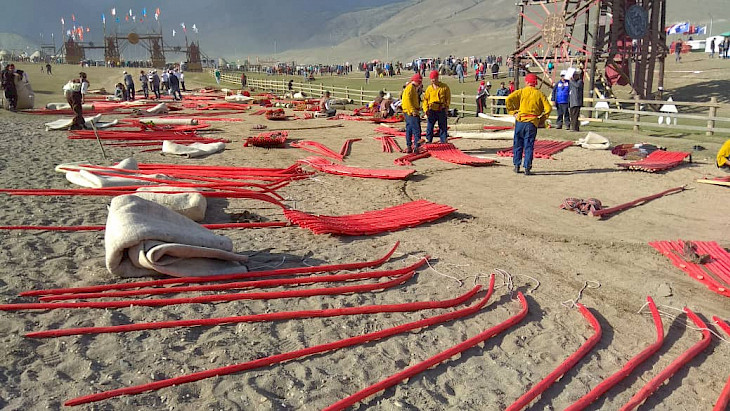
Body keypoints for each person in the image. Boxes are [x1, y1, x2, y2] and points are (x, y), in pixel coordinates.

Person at [505, 73, 552, 175]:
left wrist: (512, 112)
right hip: (532, 123)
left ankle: (516, 165)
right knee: (528, 145)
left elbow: (508, 99)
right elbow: (548, 108)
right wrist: (542, 119)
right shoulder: (540, 94)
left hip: (520, 121)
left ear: (526, 82)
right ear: (535, 83)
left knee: (517, 144)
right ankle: (527, 168)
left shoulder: (521, 91)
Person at [422, 70, 451, 143]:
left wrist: (447, 107)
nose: (433, 80)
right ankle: (428, 140)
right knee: (430, 126)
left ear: (437, 78)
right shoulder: (429, 89)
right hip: (432, 110)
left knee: (443, 126)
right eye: (431, 79)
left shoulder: (444, 87)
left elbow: (448, 98)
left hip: (441, 109)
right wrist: (426, 110)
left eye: (434, 78)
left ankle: (443, 141)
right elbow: (425, 100)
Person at [402, 73, 422, 153]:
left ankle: (409, 146)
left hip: (408, 112)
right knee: (417, 130)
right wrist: (412, 110)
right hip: (411, 113)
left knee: (409, 130)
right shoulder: (410, 88)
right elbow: (407, 101)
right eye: (419, 82)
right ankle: (417, 147)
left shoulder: (411, 88)